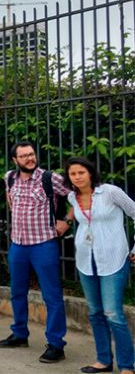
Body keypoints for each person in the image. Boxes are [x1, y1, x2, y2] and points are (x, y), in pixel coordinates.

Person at [0, 140, 71, 364]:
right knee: (17, 292)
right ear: (15, 160)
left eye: (31, 154)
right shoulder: (9, 177)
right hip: (18, 245)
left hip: (44, 244)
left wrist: (66, 221)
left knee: (52, 296)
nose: (30, 158)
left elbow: (79, 196)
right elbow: (11, 200)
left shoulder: (50, 178)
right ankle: (20, 334)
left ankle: (56, 344)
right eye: (24, 156)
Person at [65, 157, 135, 374]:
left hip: (113, 259)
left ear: (90, 173)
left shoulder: (110, 192)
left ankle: (127, 365)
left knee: (113, 313)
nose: (77, 177)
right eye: (72, 174)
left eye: (81, 172)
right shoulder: (72, 197)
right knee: (95, 312)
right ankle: (103, 360)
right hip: (86, 261)